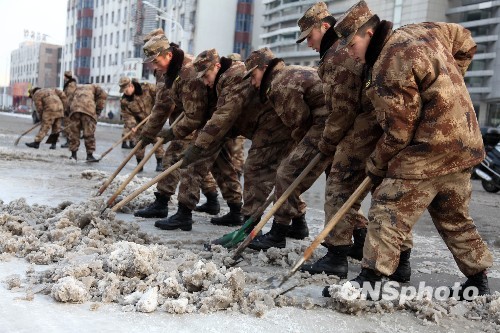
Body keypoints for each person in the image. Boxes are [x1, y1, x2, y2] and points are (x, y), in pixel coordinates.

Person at [331, 0, 493, 298]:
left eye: (351, 44)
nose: (350, 52)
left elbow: (397, 133)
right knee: (452, 214)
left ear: (368, 33)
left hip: (429, 147)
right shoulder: (423, 31)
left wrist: (375, 164)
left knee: (388, 204)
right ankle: (478, 279)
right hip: (466, 141)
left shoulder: (386, 66)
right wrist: (451, 84)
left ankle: (371, 279)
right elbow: (465, 41)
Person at [182, 50, 294, 234]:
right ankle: (293, 224)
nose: (205, 82)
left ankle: (252, 225)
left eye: (206, 76)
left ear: (216, 67)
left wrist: (198, 145)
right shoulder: (226, 77)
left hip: (270, 126)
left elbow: (226, 113)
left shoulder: (234, 76)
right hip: (260, 125)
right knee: (284, 172)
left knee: (256, 171)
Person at [140, 43, 243, 231]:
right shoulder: (180, 72)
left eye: (156, 61)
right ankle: (236, 210)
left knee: (192, 164)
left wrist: (173, 132)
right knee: (221, 165)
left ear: (169, 55)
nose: (154, 66)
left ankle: (184, 214)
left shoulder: (188, 74)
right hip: (216, 121)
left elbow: (194, 116)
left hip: (214, 123)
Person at [240, 47, 331, 251]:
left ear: (264, 68)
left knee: (287, 173)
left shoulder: (279, 84)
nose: (254, 84)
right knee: (338, 184)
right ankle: (356, 238)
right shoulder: (289, 73)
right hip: (336, 123)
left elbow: (298, 122)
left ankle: (278, 234)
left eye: (253, 76)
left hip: (325, 125)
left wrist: (300, 149)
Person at [119, 76, 165, 172]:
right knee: (139, 145)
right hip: (139, 124)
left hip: (154, 121)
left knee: (157, 142)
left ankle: (160, 163)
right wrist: (132, 125)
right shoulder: (125, 101)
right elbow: (126, 115)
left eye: (126, 90)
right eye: (123, 91)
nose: (125, 92)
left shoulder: (146, 88)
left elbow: (160, 94)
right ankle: (139, 165)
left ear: (131, 86)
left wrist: (159, 106)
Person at [65, 83, 107, 161]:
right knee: (89, 133)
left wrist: (68, 112)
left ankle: (73, 155)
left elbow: (69, 100)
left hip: (75, 109)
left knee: (74, 133)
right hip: (88, 110)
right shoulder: (95, 87)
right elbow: (103, 96)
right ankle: (89, 155)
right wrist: (98, 110)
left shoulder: (77, 88)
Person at [62, 71, 77, 148]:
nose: (63, 78)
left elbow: (70, 97)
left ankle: (69, 141)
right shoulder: (68, 84)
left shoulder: (71, 85)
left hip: (69, 108)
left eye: (64, 76)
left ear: (67, 77)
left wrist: (67, 108)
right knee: (66, 124)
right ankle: (68, 141)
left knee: (68, 125)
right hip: (68, 107)